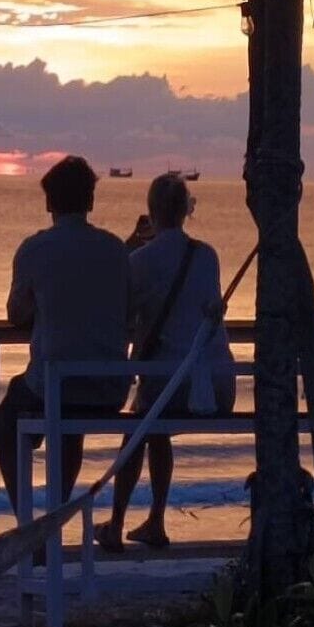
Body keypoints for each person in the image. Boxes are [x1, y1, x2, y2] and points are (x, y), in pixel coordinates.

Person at [94, 173, 237, 553]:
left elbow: (118, 307)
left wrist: (130, 247)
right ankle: (155, 520)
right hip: (218, 386)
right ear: (185, 211)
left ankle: (118, 522)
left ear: (151, 212)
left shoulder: (140, 260)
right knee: (151, 419)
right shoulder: (207, 256)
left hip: (176, 387)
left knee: (140, 424)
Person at [0, 155, 130, 519]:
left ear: (48, 202)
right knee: (68, 419)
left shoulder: (35, 249)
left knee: (5, 422)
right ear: (90, 201)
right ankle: (51, 524)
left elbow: (16, 314)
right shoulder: (117, 250)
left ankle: (28, 524)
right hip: (109, 390)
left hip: (57, 387)